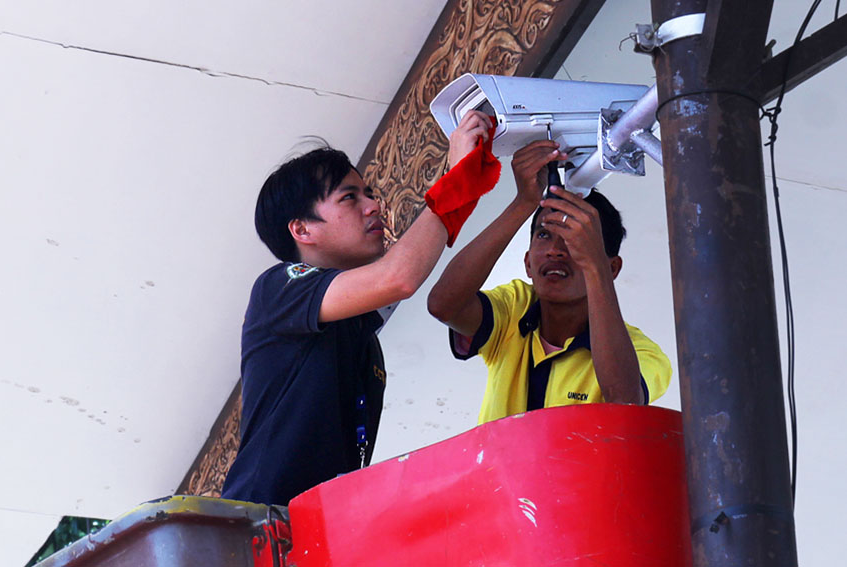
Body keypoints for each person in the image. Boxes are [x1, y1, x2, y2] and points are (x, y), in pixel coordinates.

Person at [222, 111, 497, 506]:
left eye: (368, 193)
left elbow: (401, 275)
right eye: (351, 197)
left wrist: (519, 200)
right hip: (259, 532)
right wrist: (456, 177)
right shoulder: (278, 287)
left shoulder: (361, 335)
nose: (374, 206)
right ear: (302, 230)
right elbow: (400, 276)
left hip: (317, 531)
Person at [427, 139, 671, 425]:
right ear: (528, 262)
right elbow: (443, 305)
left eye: (575, 237)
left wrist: (595, 269)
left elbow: (624, 401)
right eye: (544, 234)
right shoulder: (515, 307)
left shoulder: (643, 353)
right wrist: (524, 203)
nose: (556, 249)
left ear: (612, 268)